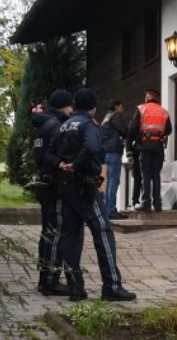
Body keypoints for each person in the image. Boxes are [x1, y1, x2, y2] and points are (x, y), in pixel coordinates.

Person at [55, 88, 136, 302]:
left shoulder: (64, 125)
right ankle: (112, 286)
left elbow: (54, 150)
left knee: (70, 237)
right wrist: (77, 165)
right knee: (103, 232)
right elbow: (91, 147)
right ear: (92, 107)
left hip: (65, 187)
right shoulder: (88, 124)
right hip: (84, 187)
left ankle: (75, 288)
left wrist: (63, 165)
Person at [32, 89, 74, 296]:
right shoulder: (57, 126)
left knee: (47, 232)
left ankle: (44, 278)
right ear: (63, 106)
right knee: (56, 232)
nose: (72, 110)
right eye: (70, 106)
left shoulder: (43, 126)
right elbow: (53, 156)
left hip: (42, 182)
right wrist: (61, 164)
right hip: (53, 184)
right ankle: (51, 280)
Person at [127, 89, 173, 212]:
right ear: (156, 98)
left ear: (147, 98)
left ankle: (146, 203)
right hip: (158, 146)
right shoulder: (164, 111)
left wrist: (130, 145)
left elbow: (132, 129)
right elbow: (169, 130)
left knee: (145, 174)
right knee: (156, 174)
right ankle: (157, 204)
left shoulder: (141, 109)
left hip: (145, 146)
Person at [99, 100, 129, 219]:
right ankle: (111, 210)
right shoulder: (115, 116)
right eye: (122, 106)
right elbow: (125, 131)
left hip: (105, 152)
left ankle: (106, 210)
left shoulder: (105, 118)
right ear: (117, 106)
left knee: (108, 182)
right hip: (114, 152)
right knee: (113, 182)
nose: (123, 109)